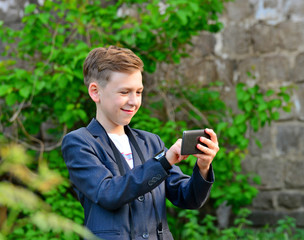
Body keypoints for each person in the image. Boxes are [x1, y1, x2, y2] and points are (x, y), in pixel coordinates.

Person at [61, 45, 219, 240]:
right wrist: (164, 161)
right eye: (124, 92)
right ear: (95, 92)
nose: (134, 101)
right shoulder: (79, 143)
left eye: (138, 92)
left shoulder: (151, 142)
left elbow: (188, 197)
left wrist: (203, 167)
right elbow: (108, 193)